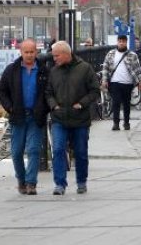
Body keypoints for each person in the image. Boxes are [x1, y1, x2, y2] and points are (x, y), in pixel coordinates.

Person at [45, 41, 99, 195]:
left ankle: (81, 181)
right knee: (58, 149)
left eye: (56, 56)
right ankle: (60, 183)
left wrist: (82, 104)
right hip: (59, 118)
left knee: (81, 152)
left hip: (79, 118)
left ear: (65, 54)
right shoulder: (54, 71)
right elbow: (48, 92)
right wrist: (53, 105)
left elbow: (95, 91)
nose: (54, 59)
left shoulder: (85, 69)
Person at [0, 39, 49, 195]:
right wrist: (10, 107)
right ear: (21, 52)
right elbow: (2, 91)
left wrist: (44, 108)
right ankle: (21, 179)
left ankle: (31, 183)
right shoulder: (12, 70)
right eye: (26, 52)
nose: (29, 55)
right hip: (18, 115)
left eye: (32, 52)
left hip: (36, 116)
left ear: (36, 52)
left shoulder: (43, 71)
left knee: (33, 150)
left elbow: (50, 92)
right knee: (17, 151)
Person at [101, 35, 141, 131]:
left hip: (128, 83)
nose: (121, 43)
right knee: (116, 103)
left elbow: (138, 69)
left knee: (126, 104)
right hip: (114, 82)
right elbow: (105, 67)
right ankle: (116, 123)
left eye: (123, 41)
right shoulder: (111, 53)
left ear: (126, 42)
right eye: (120, 41)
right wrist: (104, 80)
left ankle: (126, 122)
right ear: (117, 42)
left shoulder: (132, 55)